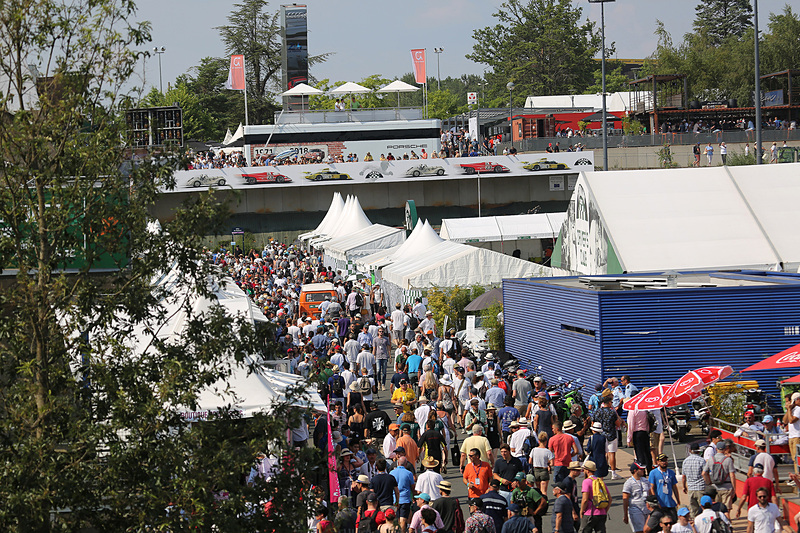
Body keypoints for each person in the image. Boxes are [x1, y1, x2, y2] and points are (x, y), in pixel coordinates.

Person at [702, 439, 736, 508]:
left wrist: (709, 483)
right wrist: (734, 489)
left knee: (716, 508)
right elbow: (732, 475)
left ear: (716, 449)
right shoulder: (728, 460)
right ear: (724, 449)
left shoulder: (711, 459)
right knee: (726, 510)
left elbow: (704, 473)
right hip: (727, 487)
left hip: (715, 487)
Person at [580, 460, 610, 533]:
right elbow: (610, 499)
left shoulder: (586, 482)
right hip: (602, 513)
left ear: (587, 471)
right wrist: (605, 510)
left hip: (590, 513)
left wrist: (581, 511)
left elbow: (585, 499)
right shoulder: (600, 481)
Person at [649, 453, 679, 521]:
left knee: (673, 522)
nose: (664, 462)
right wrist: (656, 502)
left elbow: (674, 487)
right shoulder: (653, 473)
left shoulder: (671, 473)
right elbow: (651, 488)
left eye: (665, 460)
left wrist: (678, 501)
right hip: (660, 505)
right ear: (658, 462)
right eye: (662, 461)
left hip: (670, 503)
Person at [681, 441, 707, 518]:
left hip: (691, 488)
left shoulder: (685, 461)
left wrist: (684, 486)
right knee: (703, 509)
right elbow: (705, 473)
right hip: (701, 488)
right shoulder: (702, 460)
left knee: (693, 510)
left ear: (690, 451)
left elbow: (683, 476)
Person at [623, 462, 651, 533]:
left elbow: (650, 494)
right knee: (639, 530)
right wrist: (625, 514)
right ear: (635, 470)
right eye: (641, 469)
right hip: (635, 509)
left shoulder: (645, 481)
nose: (643, 470)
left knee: (648, 530)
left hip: (646, 508)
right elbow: (625, 499)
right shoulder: (628, 483)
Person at [391, 456, 415, 530]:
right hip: (405, 499)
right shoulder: (409, 473)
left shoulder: (391, 472)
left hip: (394, 499)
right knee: (403, 520)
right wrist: (414, 496)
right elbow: (412, 487)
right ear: (406, 464)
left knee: (396, 519)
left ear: (398, 463)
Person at [783, 391, 800, 477]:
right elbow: (785, 421)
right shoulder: (791, 410)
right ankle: (797, 475)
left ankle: (798, 475)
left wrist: (789, 409)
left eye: (787, 401)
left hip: (797, 436)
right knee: (794, 458)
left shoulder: (798, 409)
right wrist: (788, 410)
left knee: (797, 458)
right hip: (791, 436)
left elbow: (791, 420)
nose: (786, 403)